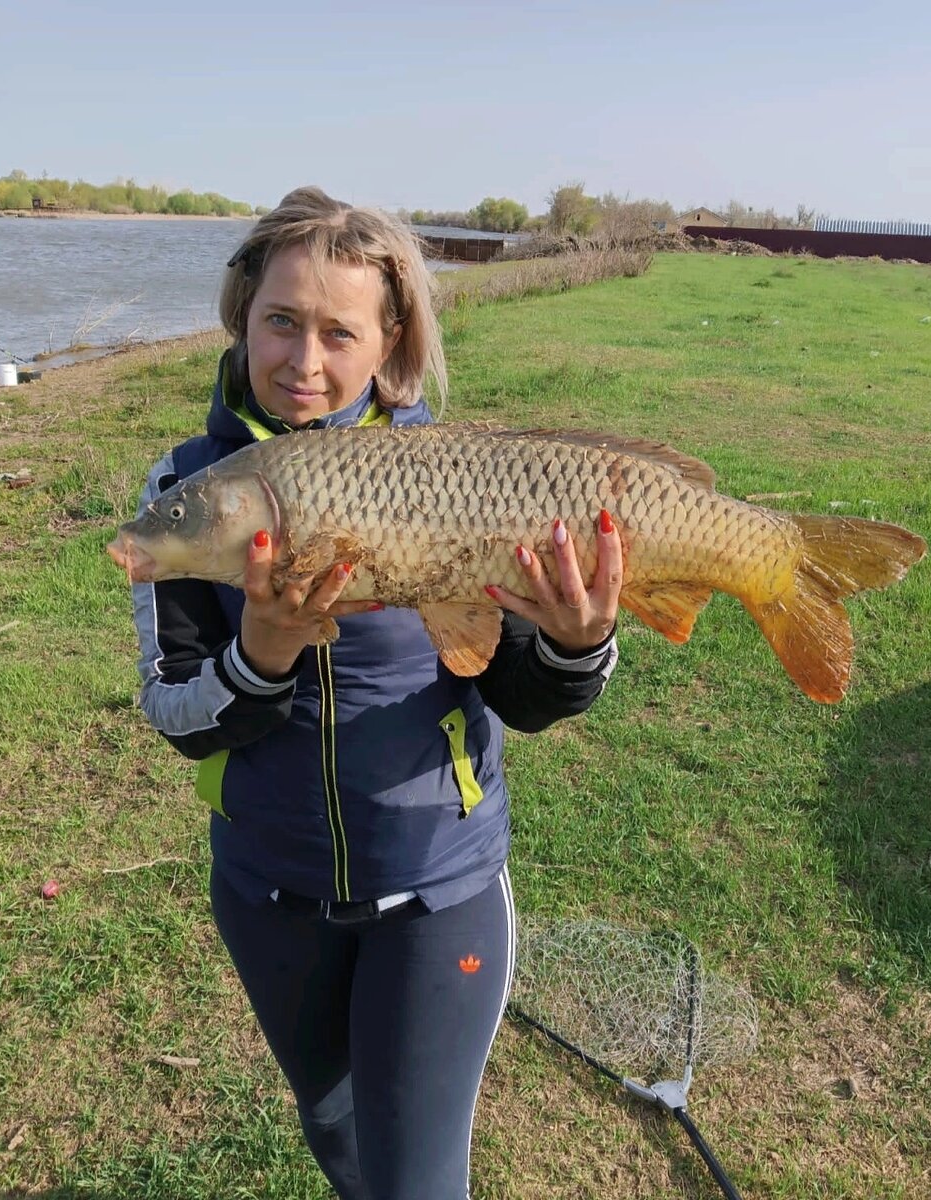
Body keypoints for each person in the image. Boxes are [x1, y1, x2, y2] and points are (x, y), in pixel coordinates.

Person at [127, 185, 623, 1200]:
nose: (303, 361)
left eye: (337, 331)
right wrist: (260, 653)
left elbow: (522, 694)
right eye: (280, 321)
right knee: (335, 1128)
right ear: (241, 315)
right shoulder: (189, 489)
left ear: (388, 342)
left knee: (416, 1181)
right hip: (268, 889)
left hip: (433, 891)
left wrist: (579, 644)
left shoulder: (464, 480)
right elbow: (175, 710)